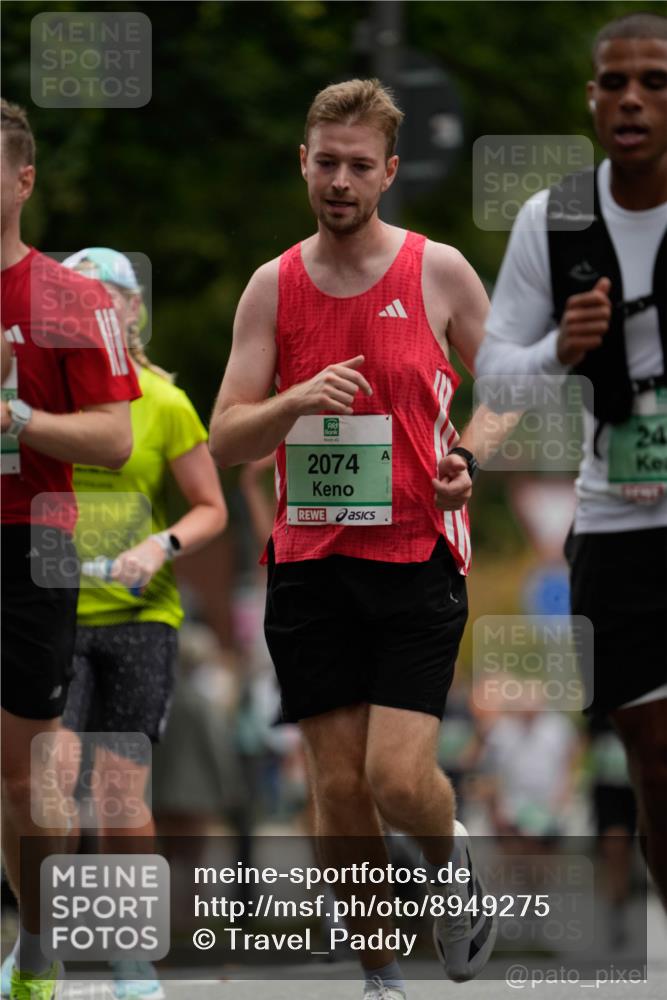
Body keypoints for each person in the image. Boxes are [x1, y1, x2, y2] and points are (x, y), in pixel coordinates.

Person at [209, 79, 498, 998]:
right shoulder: (273, 286)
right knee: (334, 789)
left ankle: (449, 868)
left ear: (389, 174)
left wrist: (468, 453)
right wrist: (293, 397)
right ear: (303, 161)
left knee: (397, 779)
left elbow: (516, 386)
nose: (339, 181)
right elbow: (226, 435)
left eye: (358, 167)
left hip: (415, 557)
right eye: (324, 162)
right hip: (310, 564)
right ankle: (379, 975)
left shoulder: (439, 270)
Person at [475, 12, 667, 909]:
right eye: (615, 82)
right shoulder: (550, 219)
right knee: (650, 759)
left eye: (654, 82)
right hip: (616, 519)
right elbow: (494, 380)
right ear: (590, 98)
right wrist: (556, 349)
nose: (632, 98)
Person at [54, 247, 227, 1000]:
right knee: (46, 787)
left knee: (120, 796)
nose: (94, 309)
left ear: (133, 311)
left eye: (109, 297)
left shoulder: (163, 403)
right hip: (49, 615)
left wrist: (160, 543)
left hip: (138, 618)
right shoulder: (34, 397)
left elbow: (210, 505)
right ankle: (37, 950)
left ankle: (131, 961)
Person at [0, 100, 139, 1000]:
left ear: (23, 179)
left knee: (21, 774)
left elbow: (115, 438)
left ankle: (41, 939)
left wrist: (18, 418)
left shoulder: (70, 300)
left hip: (28, 545)